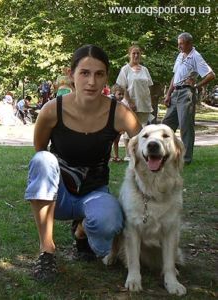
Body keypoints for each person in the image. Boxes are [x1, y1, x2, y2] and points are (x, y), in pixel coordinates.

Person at [24, 45, 141, 281]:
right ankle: (46, 251)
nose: (91, 82)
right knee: (43, 159)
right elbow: (40, 150)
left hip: (94, 192)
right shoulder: (51, 110)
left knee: (108, 231)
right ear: (72, 74)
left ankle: (81, 231)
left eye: (99, 74)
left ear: (106, 77)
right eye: (84, 73)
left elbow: (144, 146)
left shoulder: (119, 113)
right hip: (59, 194)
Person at [162, 32, 215, 164]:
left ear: (189, 43)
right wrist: (168, 94)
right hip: (175, 93)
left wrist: (196, 86)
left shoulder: (196, 57)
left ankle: (185, 158)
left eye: (181, 43)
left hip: (186, 93)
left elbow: (211, 75)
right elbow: (175, 77)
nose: (179, 46)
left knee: (186, 126)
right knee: (166, 125)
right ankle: (165, 153)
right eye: (178, 43)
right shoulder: (180, 55)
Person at [116, 45, 153, 126]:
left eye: (138, 53)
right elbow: (122, 87)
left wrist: (149, 102)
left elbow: (149, 86)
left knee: (142, 132)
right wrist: (130, 102)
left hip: (144, 106)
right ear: (129, 55)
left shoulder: (145, 70)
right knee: (130, 131)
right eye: (133, 53)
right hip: (131, 106)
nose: (136, 55)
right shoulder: (125, 69)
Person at [109, 84, 129, 162]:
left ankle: (116, 156)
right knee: (109, 142)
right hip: (111, 125)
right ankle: (109, 156)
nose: (121, 96)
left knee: (116, 141)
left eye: (122, 94)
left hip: (118, 125)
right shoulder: (111, 102)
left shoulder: (122, 104)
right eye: (119, 94)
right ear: (114, 93)